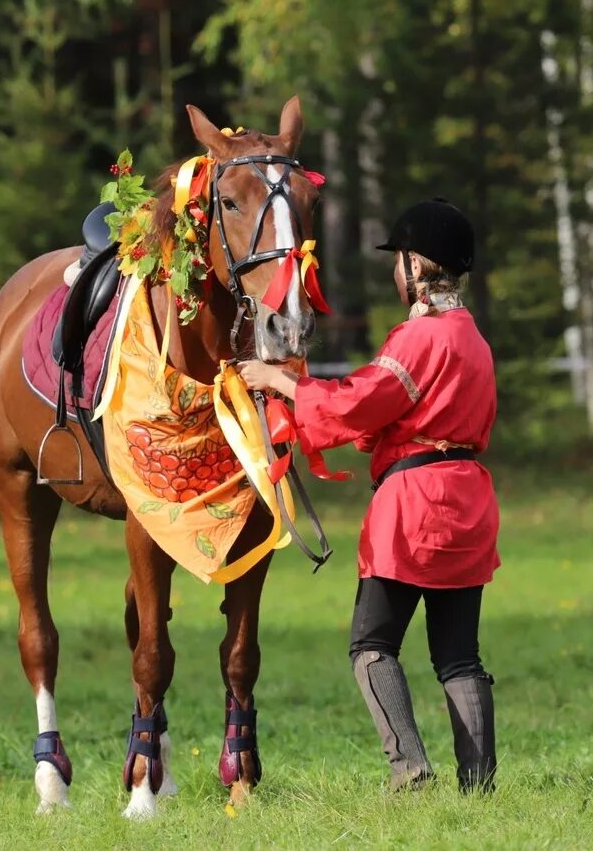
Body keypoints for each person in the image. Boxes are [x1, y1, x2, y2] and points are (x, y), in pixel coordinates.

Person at [237, 199, 500, 793]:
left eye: (398, 261)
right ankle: (479, 785)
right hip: (469, 502)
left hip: (414, 506)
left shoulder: (418, 337)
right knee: (459, 655)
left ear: (415, 264)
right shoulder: (474, 340)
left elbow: (359, 403)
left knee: (372, 645)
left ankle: (410, 772)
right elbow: (392, 415)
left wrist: (281, 381)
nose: (393, 273)